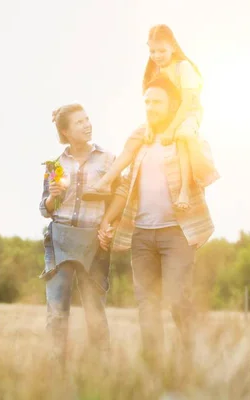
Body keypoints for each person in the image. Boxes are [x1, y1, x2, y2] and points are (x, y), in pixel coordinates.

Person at [98, 75, 215, 366]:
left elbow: (205, 173)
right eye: (147, 101)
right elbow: (125, 187)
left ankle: (193, 360)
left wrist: (189, 137)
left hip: (177, 234)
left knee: (178, 300)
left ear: (171, 104)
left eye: (157, 102)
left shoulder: (185, 139)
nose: (150, 106)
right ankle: (154, 368)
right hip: (142, 236)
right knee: (146, 305)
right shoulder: (140, 141)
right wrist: (106, 221)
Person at [90, 24, 219, 210]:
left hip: (187, 113)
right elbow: (151, 102)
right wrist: (150, 127)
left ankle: (184, 190)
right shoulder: (156, 70)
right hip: (162, 117)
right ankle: (106, 181)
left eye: (162, 51)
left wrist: (171, 129)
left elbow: (188, 103)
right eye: (152, 51)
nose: (157, 56)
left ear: (173, 47)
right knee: (135, 138)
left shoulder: (183, 67)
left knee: (183, 136)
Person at [38, 103, 118, 369]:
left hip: (93, 243)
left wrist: (109, 226)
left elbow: (120, 197)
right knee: (57, 314)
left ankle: (102, 373)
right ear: (65, 131)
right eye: (79, 122)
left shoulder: (108, 159)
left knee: (95, 314)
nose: (86, 125)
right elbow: (45, 210)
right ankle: (55, 373)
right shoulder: (55, 165)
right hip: (60, 240)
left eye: (87, 119)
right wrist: (53, 197)